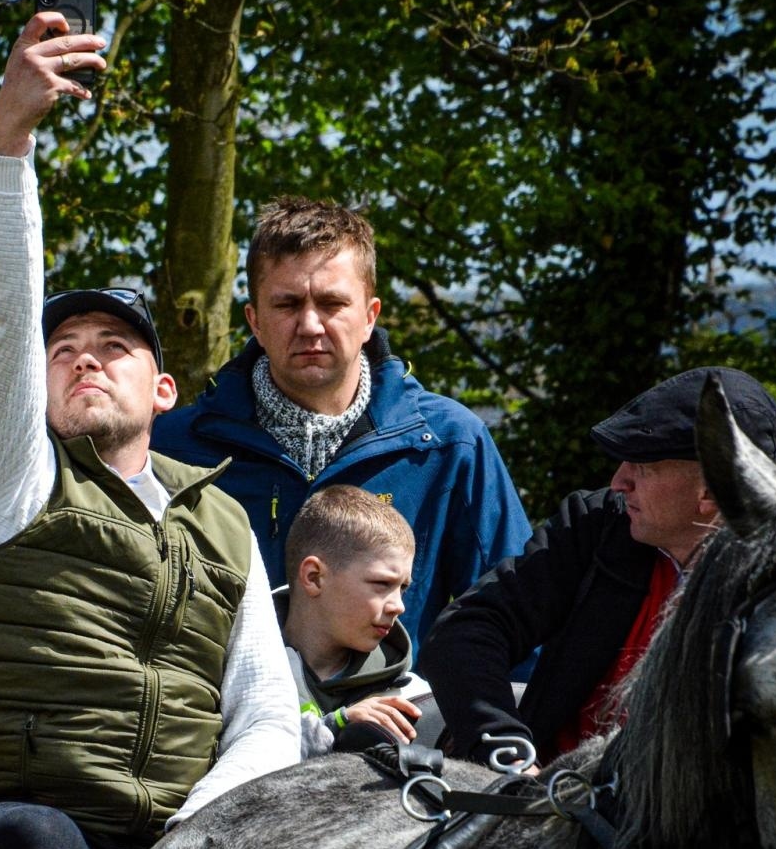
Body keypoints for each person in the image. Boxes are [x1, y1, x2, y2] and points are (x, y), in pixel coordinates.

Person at [0, 11, 299, 849]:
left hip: (183, 845)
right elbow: (1, 313)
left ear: (165, 390)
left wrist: (198, 824)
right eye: (63, 351)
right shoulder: (2, 479)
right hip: (26, 848)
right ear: (33, 387)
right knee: (36, 841)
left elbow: (264, 710)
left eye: (115, 346)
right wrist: (8, 142)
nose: (84, 356)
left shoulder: (221, 516)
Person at [151, 196, 531, 646]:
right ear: (253, 320)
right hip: (225, 715)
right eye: (287, 304)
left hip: (398, 712)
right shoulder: (172, 450)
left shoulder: (447, 445)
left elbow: (517, 619)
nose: (310, 325)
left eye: (332, 303)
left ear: (370, 317)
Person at [418, 366, 776, 767]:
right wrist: (506, 750)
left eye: (642, 466)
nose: (618, 481)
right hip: (551, 804)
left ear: (712, 490)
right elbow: (467, 630)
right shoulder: (598, 526)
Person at [278, 484, 425, 758]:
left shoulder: (411, 700)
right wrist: (339, 725)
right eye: (382, 583)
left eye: (402, 588)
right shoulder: (233, 671)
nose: (399, 606)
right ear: (313, 577)